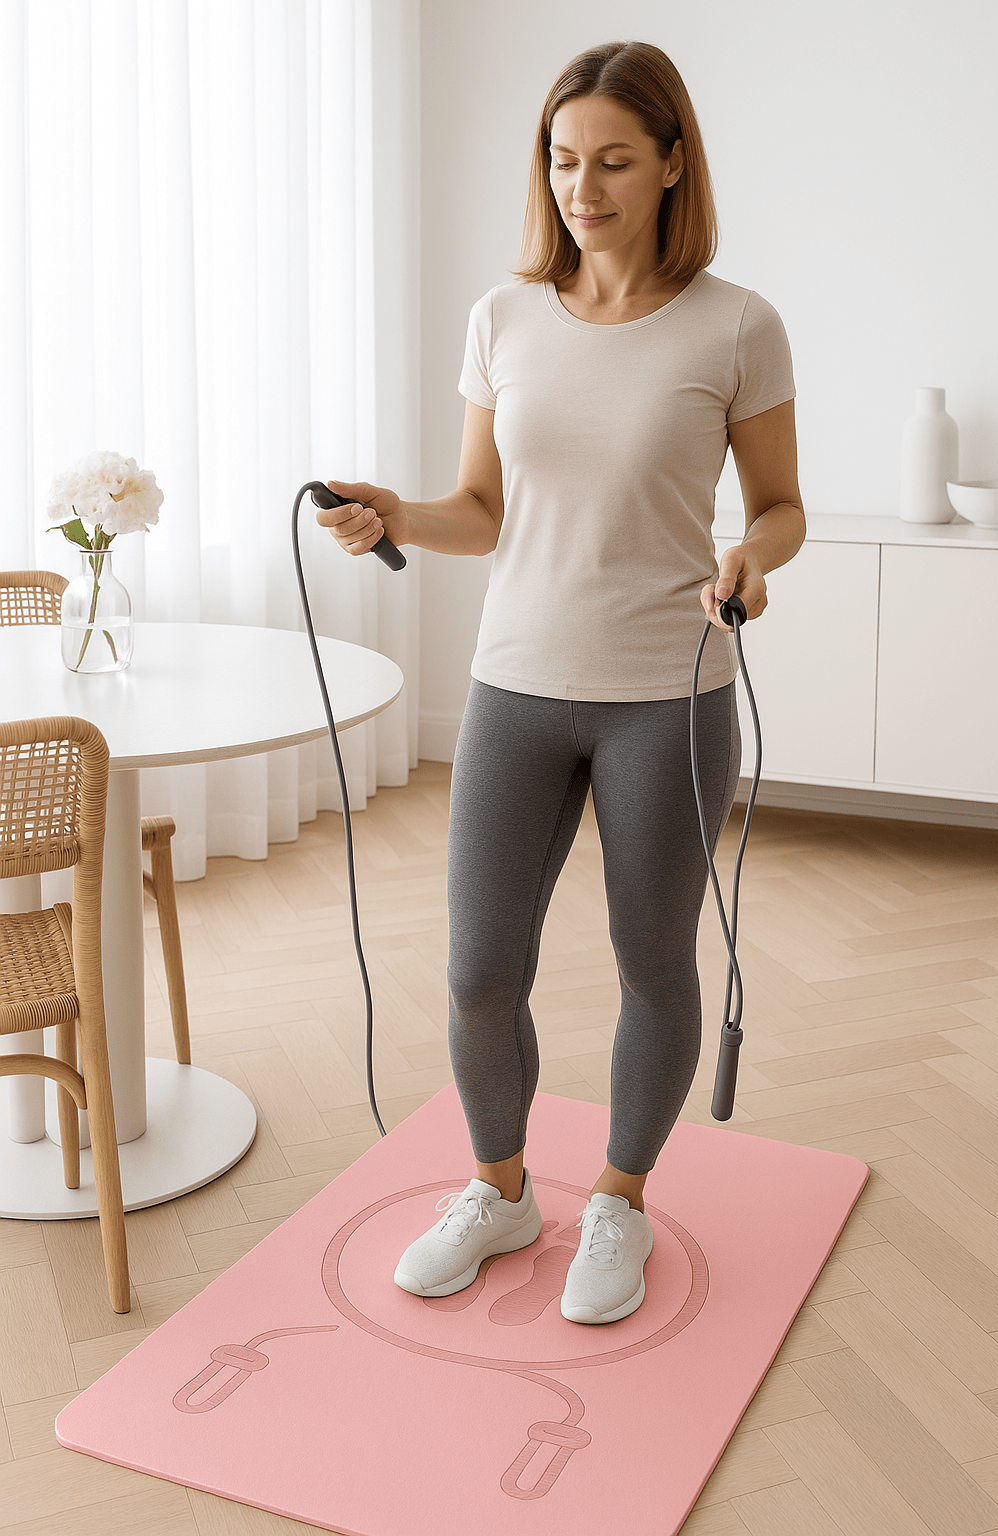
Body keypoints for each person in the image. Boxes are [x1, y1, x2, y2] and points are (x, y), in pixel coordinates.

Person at [318, 39, 804, 1325]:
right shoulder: (504, 316)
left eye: (610, 160)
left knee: (652, 961)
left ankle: (621, 1202)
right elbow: (479, 508)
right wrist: (395, 514)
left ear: (669, 164)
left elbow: (783, 507)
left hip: (668, 689)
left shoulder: (736, 323)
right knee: (480, 968)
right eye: (560, 158)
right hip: (514, 687)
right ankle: (500, 1190)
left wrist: (750, 560)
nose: (579, 186)